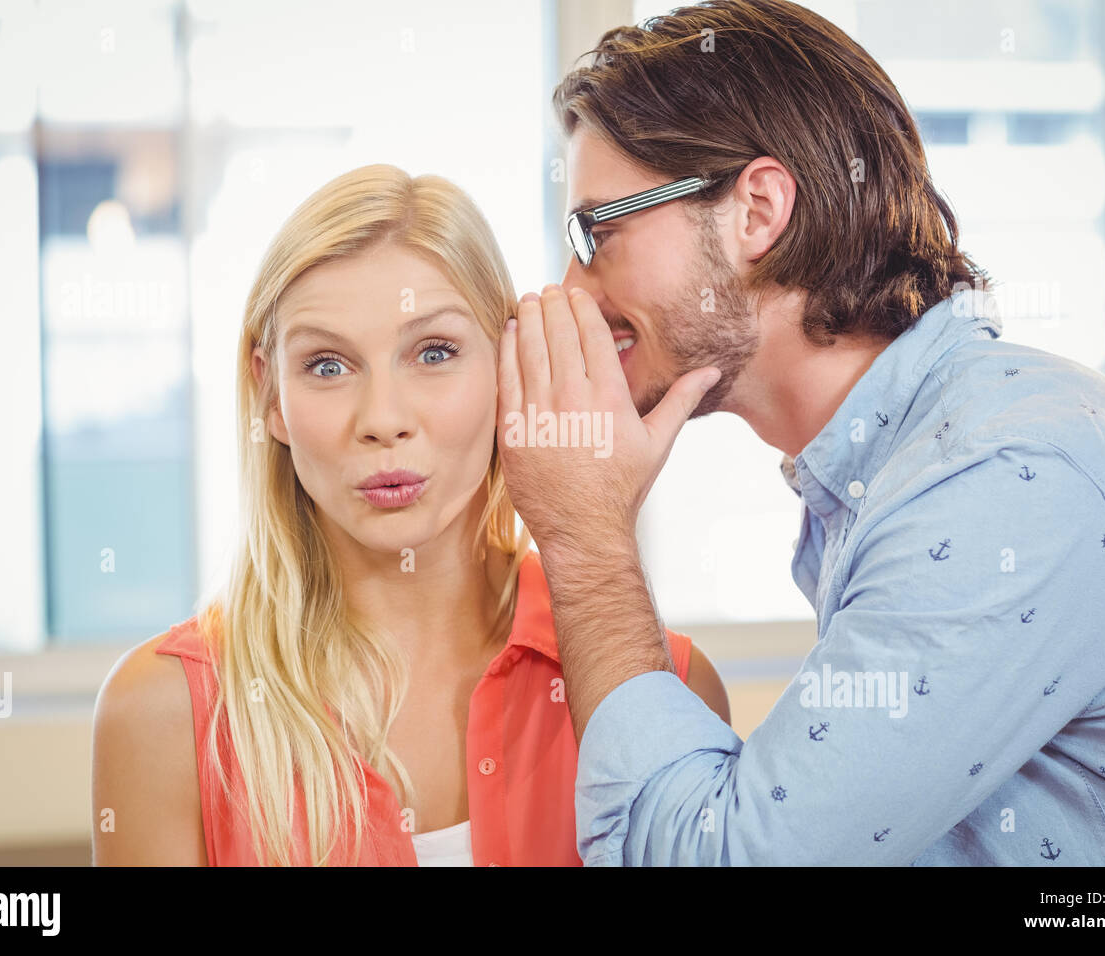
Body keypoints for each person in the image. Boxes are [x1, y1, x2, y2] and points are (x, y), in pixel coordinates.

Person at [495, 0, 1105, 865]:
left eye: (596, 230)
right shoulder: (902, 465)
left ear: (756, 210)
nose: (571, 284)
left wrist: (584, 539)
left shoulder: (996, 481)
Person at [90, 163, 730, 866]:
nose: (383, 420)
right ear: (269, 392)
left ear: (505, 364)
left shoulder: (664, 693)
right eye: (328, 366)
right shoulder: (162, 714)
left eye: (434, 352)